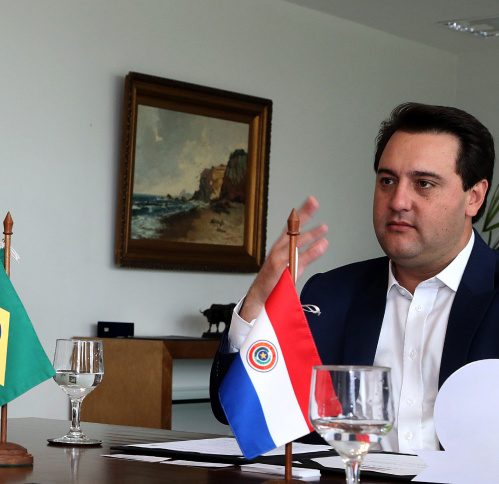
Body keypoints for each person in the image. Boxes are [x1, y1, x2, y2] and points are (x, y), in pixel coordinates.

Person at [210, 102, 497, 453]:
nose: (398, 201)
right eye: (387, 181)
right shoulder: (330, 295)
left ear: (474, 197)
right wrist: (260, 299)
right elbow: (237, 409)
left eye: (423, 184)